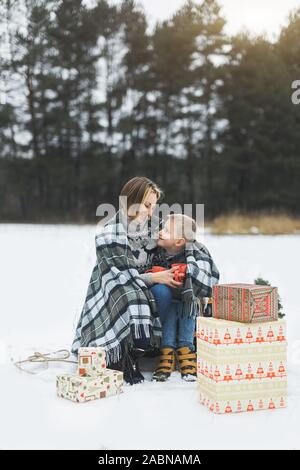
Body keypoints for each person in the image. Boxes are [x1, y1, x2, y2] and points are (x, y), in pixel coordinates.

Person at [71, 176, 181, 385]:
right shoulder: (110, 231)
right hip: (113, 285)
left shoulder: (154, 228)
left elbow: (177, 247)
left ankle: (148, 347)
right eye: (146, 205)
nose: (150, 212)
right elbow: (120, 273)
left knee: (163, 292)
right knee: (130, 295)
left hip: (143, 283)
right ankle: (123, 354)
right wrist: (153, 277)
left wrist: (175, 266)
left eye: (153, 207)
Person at [143, 214, 220, 382]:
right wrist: (154, 274)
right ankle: (166, 353)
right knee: (170, 313)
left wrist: (190, 274)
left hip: (189, 300)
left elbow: (206, 275)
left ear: (179, 242)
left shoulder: (194, 254)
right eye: (162, 228)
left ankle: (187, 352)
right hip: (168, 300)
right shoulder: (157, 254)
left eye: (167, 231)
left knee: (188, 310)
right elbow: (147, 271)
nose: (161, 232)